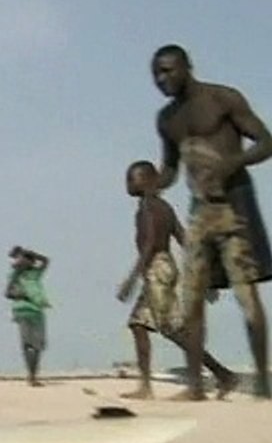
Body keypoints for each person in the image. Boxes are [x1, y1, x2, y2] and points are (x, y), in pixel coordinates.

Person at [151, 44, 272, 399]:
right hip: (199, 211)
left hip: (234, 206)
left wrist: (231, 163)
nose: (163, 79)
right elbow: (171, 168)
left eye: (169, 70)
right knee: (193, 297)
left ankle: (263, 381)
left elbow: (266, 142)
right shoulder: (167, 119)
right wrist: (152, 183)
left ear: (188, 66)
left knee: (246, 294)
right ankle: (194, 385)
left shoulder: (222, 99)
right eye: (157, 73)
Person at [116, 161, 238, 400]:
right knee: (138, 325)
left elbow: (150, 244)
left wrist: (131, 279)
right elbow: (183, 238)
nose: (128, 184)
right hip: (161, 268)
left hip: (157, 269)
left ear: (150, 180)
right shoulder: (164, 206)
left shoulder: (149, 207)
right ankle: (145, 387)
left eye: (133, 178)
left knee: (174, 330)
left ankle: (221, 376)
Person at [5, 246, 50, 387]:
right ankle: (31, 375)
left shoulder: (34, 274)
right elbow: (7, 293)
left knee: (37, 346)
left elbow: (46, 261)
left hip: (36, 311)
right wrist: (23, 295)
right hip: (23, 310)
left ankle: (33, 374)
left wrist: (30, 253)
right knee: (27, 345)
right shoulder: (14, 275)